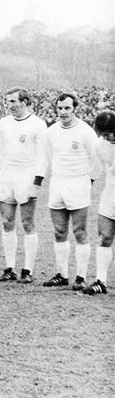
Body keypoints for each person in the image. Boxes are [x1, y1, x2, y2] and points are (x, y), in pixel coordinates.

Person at [0, 88, 47, 284]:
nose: (10, 105)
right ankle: (9, 268)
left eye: (13, 101)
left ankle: (27, 269)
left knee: (28, 223)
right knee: (7, 222)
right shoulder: (4, 123)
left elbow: (42, 157)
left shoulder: (38, 124)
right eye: (8, 101)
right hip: (6, 175)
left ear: (25, 101)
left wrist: (36, 183)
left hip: (27, 175)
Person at [41, 93, 100, 290]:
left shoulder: (85, 131)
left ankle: (81, 277)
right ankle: (62, 275)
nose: (63, 112)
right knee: (59, 231)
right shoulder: (51, 132)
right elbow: (48, 157)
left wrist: (87, 181)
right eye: (60, 108)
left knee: (80, 232)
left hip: (78, 184)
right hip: (57, 183)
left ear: (75, 109)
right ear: (56, 109)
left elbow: (96, 161)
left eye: (67, 108)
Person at [83, 110, 115, 295]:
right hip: (110, 194)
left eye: (109, 133)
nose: (107, 137)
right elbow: (96, 169)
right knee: (104, 237)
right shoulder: (101, 145)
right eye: (103, 134)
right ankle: (100, 281)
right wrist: (89, 184)